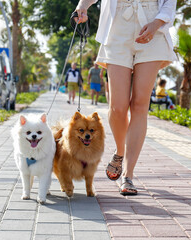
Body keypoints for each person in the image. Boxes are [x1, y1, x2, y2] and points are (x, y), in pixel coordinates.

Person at [74, 0, 177, 195]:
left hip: (152, 25)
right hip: (118, 27)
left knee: (140, 104)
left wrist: (156, 24)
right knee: (117, 107)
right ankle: (120, 152)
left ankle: (128, 175)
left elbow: (170, 3)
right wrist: (83, 6)